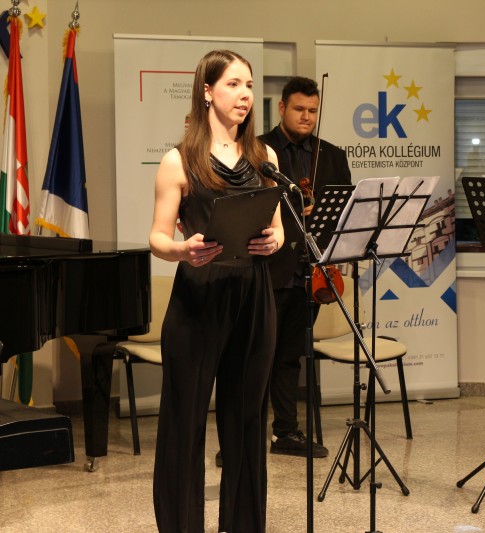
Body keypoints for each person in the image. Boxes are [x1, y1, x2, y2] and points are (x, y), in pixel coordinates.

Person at [149, 49, 284, 532]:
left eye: (249, 84)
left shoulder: (265, 157)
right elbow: (157, 237)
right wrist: (183, 250)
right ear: (207, 91)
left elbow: (278, 227)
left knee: (247, 421)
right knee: (185, 422)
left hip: (253, 293)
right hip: (199, 296)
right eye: (233, 84)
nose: (245, 94)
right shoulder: (178, 160)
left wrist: (275, 240)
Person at [259, 76, 352, 457]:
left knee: (289, 355)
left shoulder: (332, 156)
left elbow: (343, 212)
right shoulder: (258, 149)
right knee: (255, 356)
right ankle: (243, 436)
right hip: (267, 268)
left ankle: (286, 432)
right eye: (299, 109)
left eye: (313, 111)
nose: (306, 117)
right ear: (282, 108)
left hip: (311, 271)